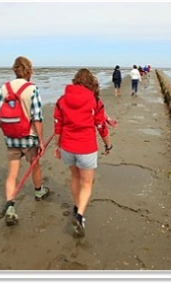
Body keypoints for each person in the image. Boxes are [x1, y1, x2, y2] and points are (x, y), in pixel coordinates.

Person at [53, 68, 113, 237]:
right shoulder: (95, 101)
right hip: (86, 148)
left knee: (75, 177)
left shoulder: (62, 100)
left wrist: (57, 147)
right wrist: (108, 145)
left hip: (67, 147)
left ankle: (76, 206)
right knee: (86, 183)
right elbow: (101, 126)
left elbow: (58, 126)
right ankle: (79, 216)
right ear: (91, 83)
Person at [0, 56, 50, 226]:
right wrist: (41, 140)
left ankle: (11, 208)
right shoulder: (32, 89)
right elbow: (37, 118)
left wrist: (8, 131)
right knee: (35, 165)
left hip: (11, 138)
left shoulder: (4, 88)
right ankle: (39, 191)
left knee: (12, 173)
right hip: (29, 137)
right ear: (29, 71)